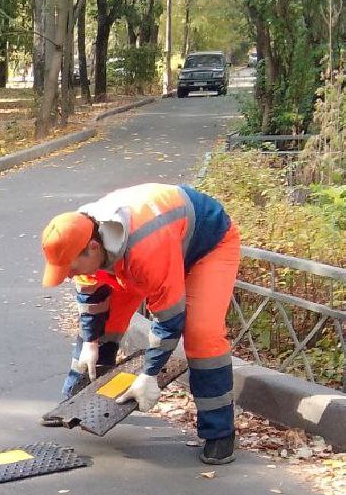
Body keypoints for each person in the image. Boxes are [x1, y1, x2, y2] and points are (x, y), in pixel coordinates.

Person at [39, 183, 242, 465]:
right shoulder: (77, 234)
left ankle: (220, 433)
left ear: (93, 249)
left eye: (72, 269)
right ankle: (77, 400)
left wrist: (149, 376)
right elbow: (92, 303)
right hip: (144, 249)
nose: (70, 276)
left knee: (201, 333)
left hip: (207, 245)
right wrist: (90, 342)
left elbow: (170, 320)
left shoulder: (146, 251)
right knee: (106, 320)